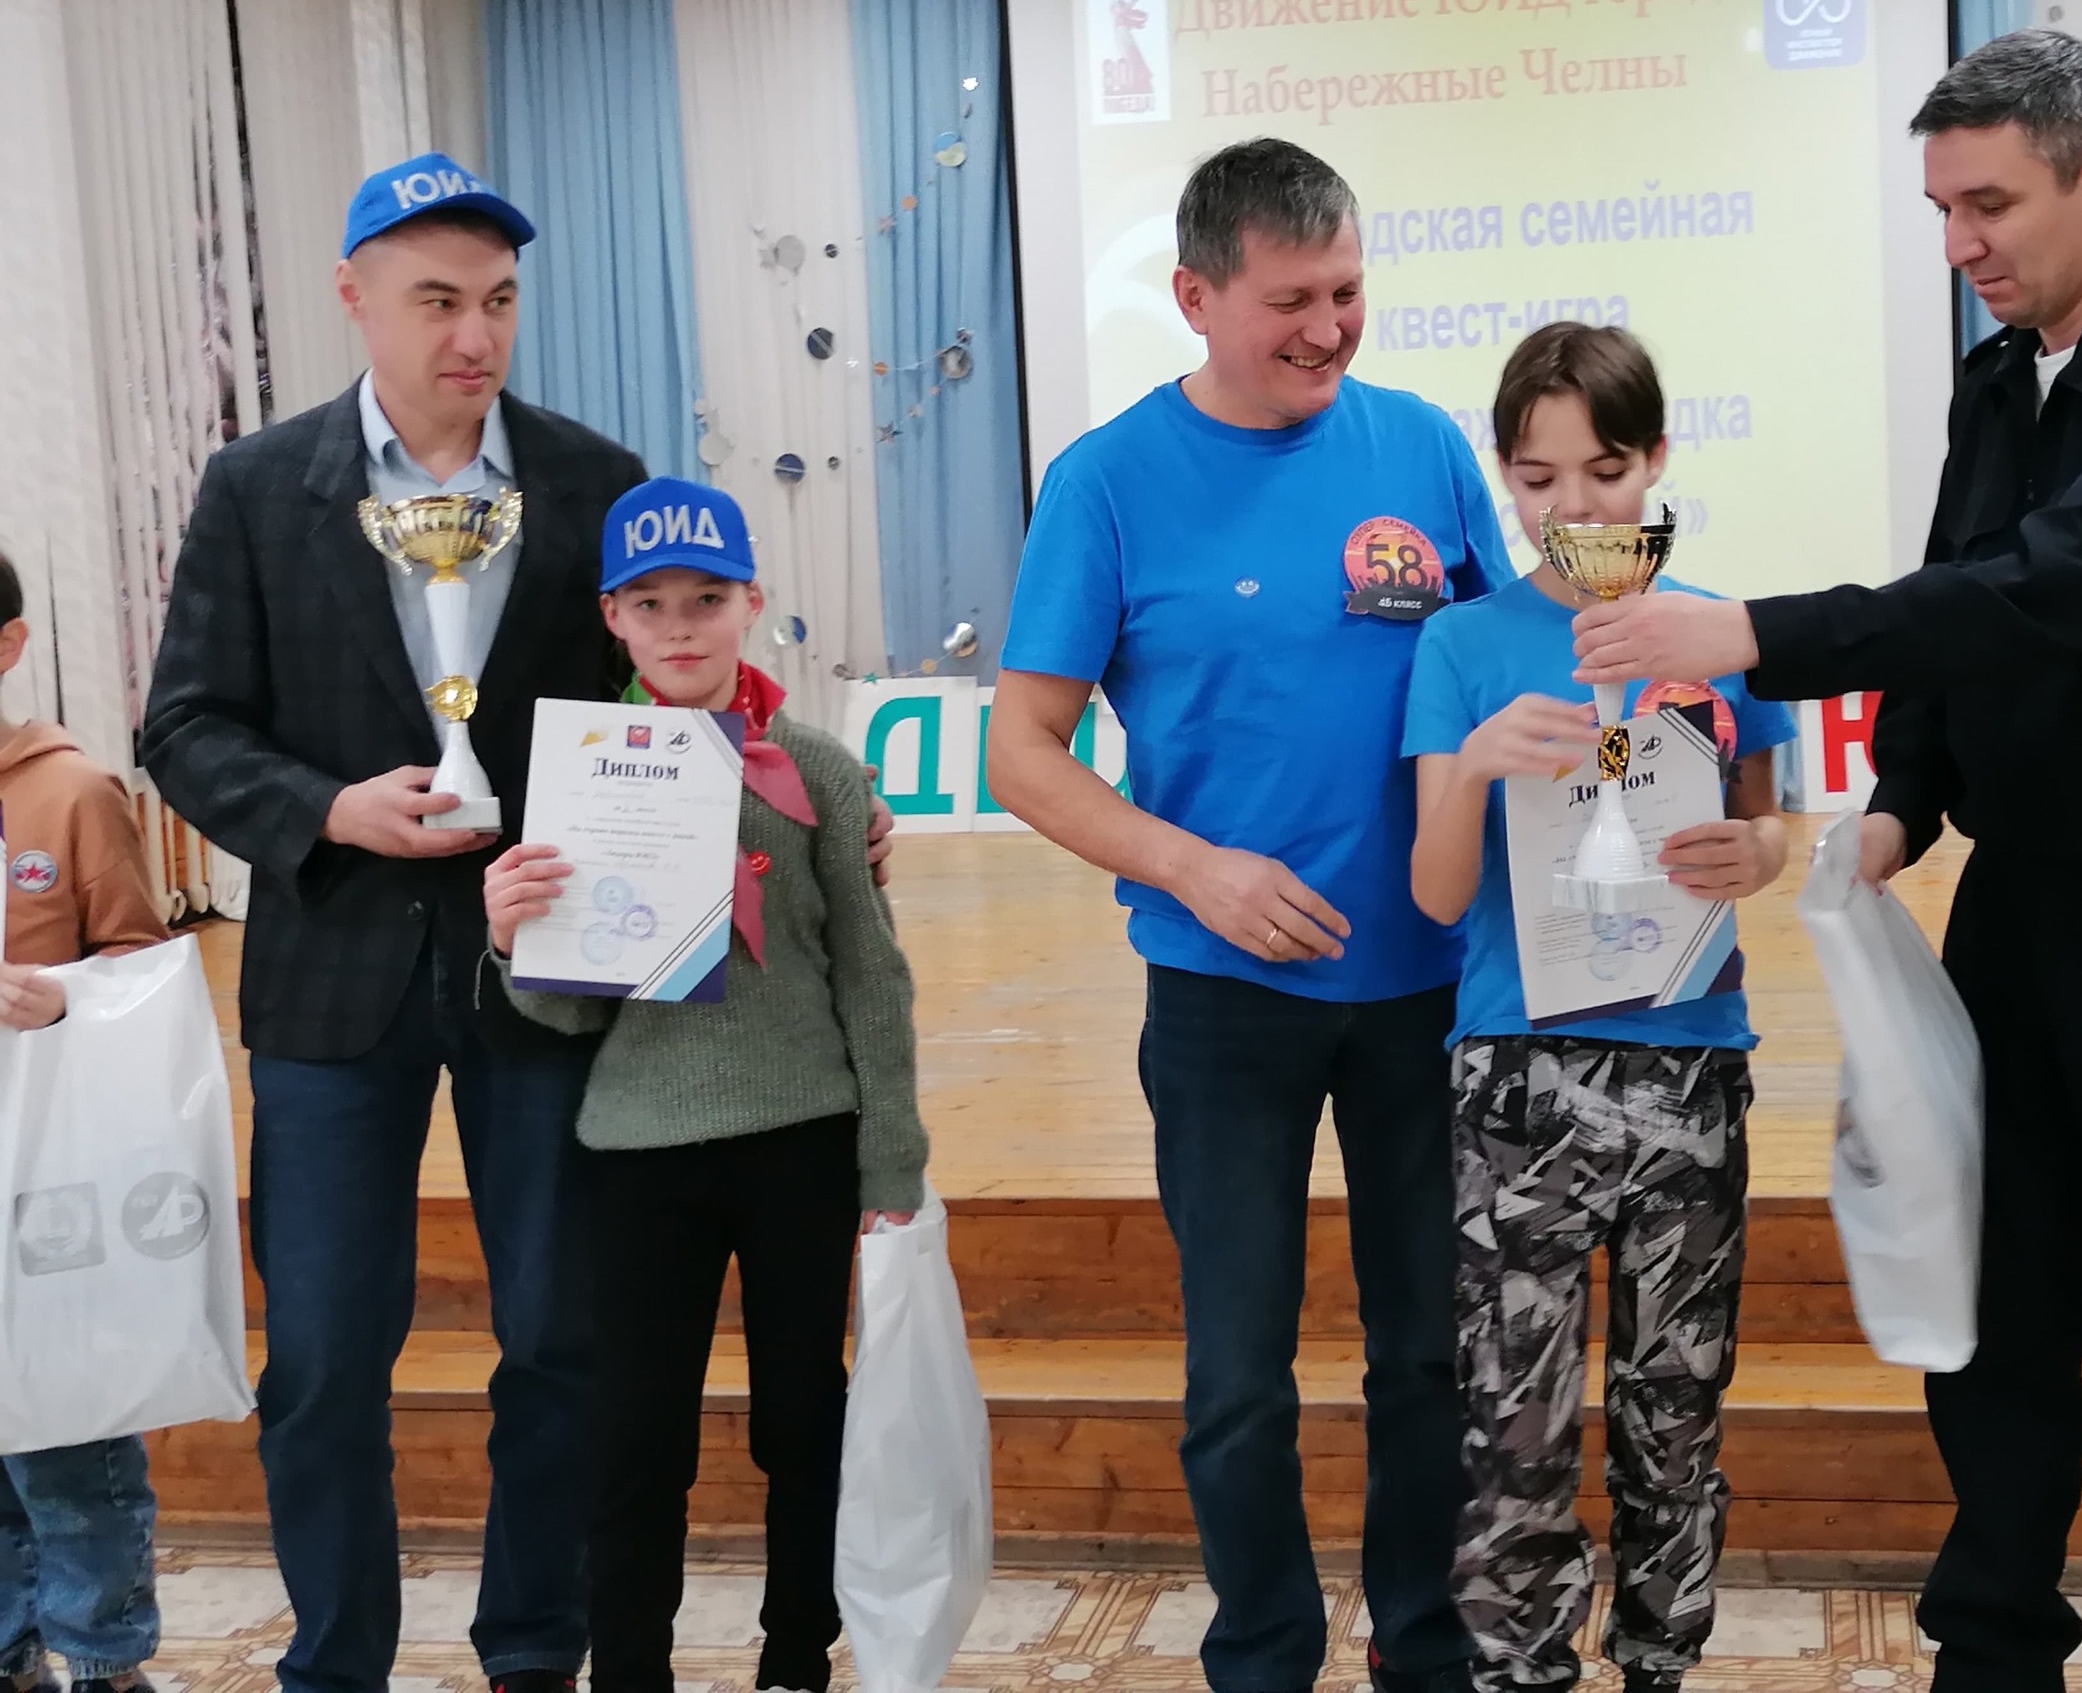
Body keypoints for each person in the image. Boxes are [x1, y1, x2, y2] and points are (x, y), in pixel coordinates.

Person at [1569, 31, 2082, 1693]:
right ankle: (1993, 1645)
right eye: (1940, 210)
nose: (1960, 243)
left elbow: (2051, 589)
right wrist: (1902, 802)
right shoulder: (2002, 377)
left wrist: (1754, 635)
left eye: (1990, 205)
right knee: (1997, 1306)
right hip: (2018, 913)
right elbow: (1954, 600)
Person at [138, 153, 890, 1693]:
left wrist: (810, 785)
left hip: (559, 971)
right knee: (324, 1361)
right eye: (436, 302)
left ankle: (537, 1652)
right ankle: (333, 1664)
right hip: (334, 978)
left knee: (562, 1342)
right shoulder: (256, 490)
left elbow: (675, 684)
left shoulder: (595, 480)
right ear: (353, 300)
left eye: (496, 301)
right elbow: (186, 726)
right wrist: (330, 810)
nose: (472, 335)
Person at [984, 138, 1510, 1693]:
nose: (1328, 329)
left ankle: (1424, 1644)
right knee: (1236, 1381)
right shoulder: (1106, 482)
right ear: (1196, 297)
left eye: (1347, 291)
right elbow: (1023, 752)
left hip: (1431, 985)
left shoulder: (1423, 448)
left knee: (1432, 1358)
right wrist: (1190, 866)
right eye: (1292, 301)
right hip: (1222, 1000)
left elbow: (1504, 667)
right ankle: (1265, 1658)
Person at [479, 477, 923, 1693]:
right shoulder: (581, 776)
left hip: (801, 1137)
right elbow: (565, 1008)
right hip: (639, 1150)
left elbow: (870, 973)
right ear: (612, 617)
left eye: (707, 600)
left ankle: (796, 1657)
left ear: (751, 605)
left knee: (803, 1417)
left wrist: (891, 1153)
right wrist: (514, 938)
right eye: (652, 604)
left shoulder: (818, 771)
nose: (680, 627)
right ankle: (631, 1667)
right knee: (637, 1434)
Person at [1402, 325, 1794, 1693]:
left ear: (1658, 461)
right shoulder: (1461, 642)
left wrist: (1761, 853)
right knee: (1513, 1427)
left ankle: (1659, 1666)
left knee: (1674, 1417)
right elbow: (1436, 895)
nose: (1575, 507)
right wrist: (1476, 766)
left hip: (1689, 1065)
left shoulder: (1718, 634)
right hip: (1517, 1082)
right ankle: (1519, 1671)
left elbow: (1765, 831)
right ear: (1505, 479)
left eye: (1606, 472)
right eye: (1537, 480)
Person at [0, 549, 171, 1693]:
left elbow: (145, 974)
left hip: (45, 1172)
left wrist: (61, 1001)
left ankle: (108, 1659)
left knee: (68, 1435)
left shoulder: (73, 792)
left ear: (9, 645)